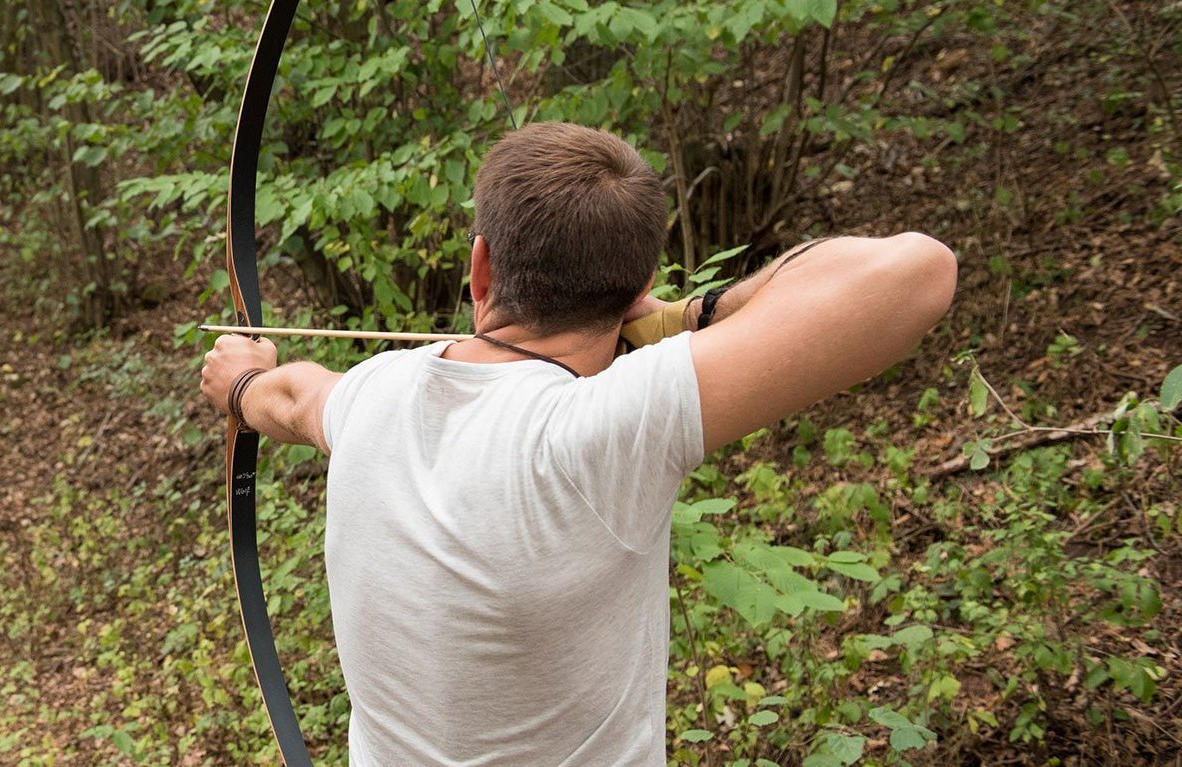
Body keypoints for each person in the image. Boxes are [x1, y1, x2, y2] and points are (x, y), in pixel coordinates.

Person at [198, 121, 957, 766]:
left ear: (480, 266)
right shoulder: (599, 434)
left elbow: (294, 398)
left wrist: (240, 383)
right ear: (637, 289)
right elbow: (918, 268)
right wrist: (688, 315)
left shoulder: (377, 392)